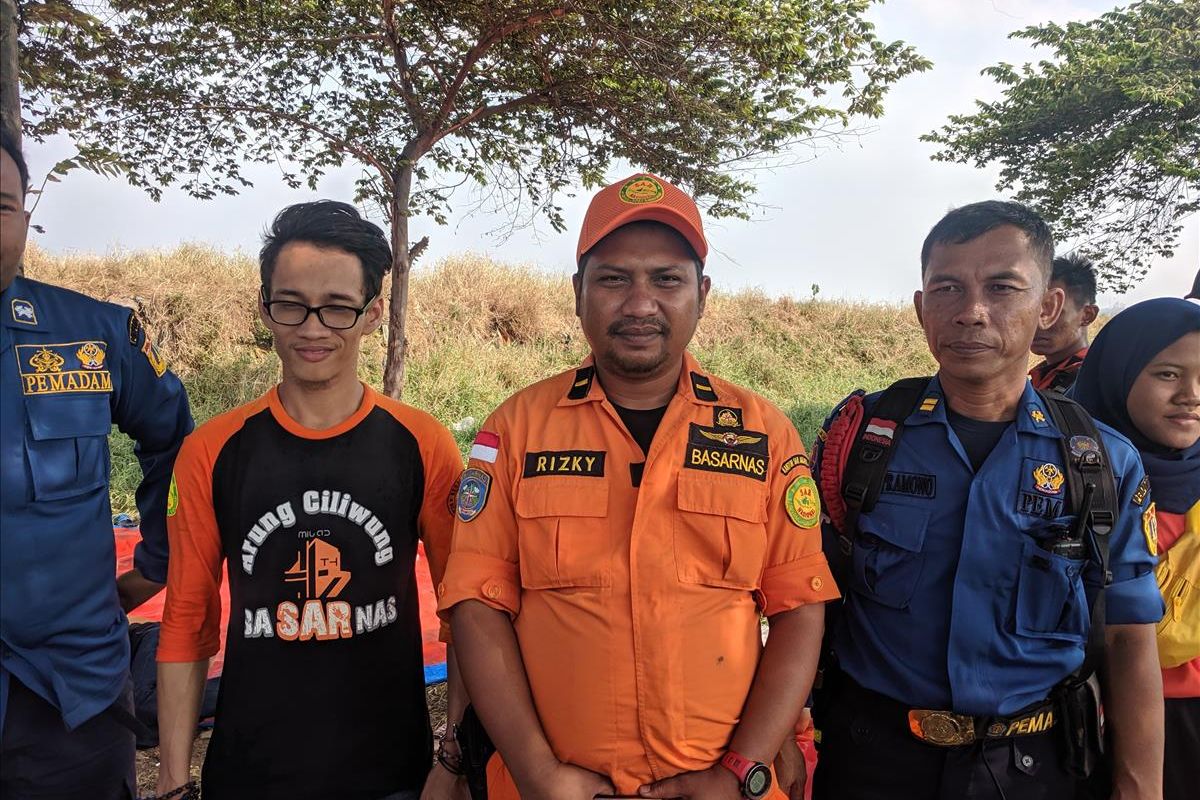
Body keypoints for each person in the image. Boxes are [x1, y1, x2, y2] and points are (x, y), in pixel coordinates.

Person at [440, 173, 838, 800]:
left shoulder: (763, 433)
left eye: (666, 279)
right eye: (614, 278)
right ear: (579, 293)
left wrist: (744, 770)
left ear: (702, 294)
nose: (639, 304)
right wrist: (537, 773)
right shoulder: (515, 430)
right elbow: (477, 602)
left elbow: (799, 606)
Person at [811, 201, 1165, 800]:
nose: (971, 312)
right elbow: (808, 601)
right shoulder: (864, 439)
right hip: (870, 759)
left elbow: (1130, 637)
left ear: (1048, 306)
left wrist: (1140, 787)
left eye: (1002, 287)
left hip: (1035, 767)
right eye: (947, 289)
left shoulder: (1099, 461)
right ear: (923, 309)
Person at [154, 201, 467, 800]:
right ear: (266, 306)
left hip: (393, 776)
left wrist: (449, 764)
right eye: (291, 303)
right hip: (249, 776)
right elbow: (187, 621)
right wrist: (172, 781)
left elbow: (466, 615)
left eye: (337, 308)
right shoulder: (212, 451)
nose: (312, 327)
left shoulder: (421, 444)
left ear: (373, 313)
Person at [0, 129, 193, 798]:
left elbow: (179, 447)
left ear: (25, 217)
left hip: (70, 692)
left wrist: (154, 567)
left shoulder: (92, 334)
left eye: (0, 204)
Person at [1072, 298, 1200, 800]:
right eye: (1168, 375)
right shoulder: (1071, 475)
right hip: (1097, 713)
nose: (1191, 395)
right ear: (1119, 374)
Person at [1029, 253, 1099, 393]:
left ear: (1087, 315)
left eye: (1054, 312)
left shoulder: (1093, 380)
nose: (1038, 323)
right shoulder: (1043, 376)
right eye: (1031, 311)